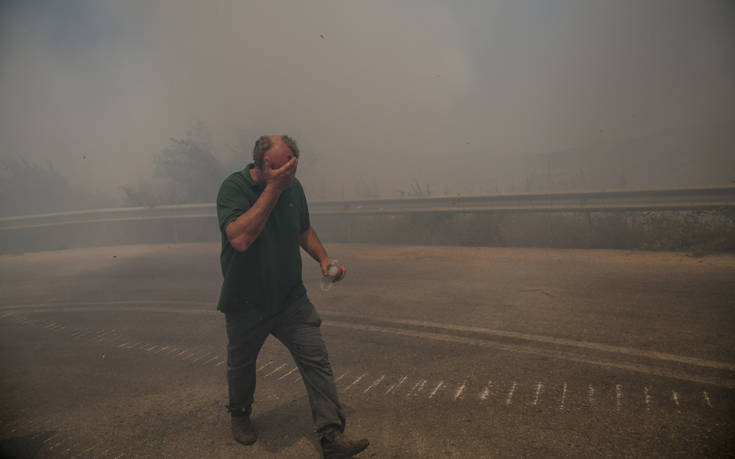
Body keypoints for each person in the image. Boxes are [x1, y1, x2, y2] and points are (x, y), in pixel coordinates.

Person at [216, 135, 369, 458]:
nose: (286, 172)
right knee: (241, 364)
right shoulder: (234, 188)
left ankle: (331, 435)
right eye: (277, 166)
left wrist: (323, 258)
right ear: (260, 164)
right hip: (245, 301)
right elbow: (240, 239)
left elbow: (302, 228)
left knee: (316, 359)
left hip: (289, 298)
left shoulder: (293, 188)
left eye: (290, 165)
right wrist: (273, 188)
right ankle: (240, 413)